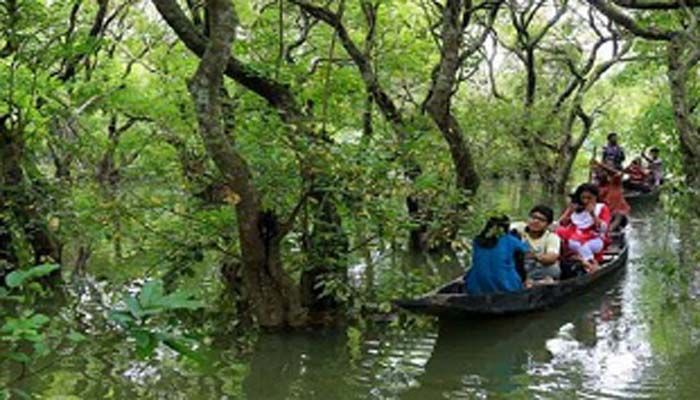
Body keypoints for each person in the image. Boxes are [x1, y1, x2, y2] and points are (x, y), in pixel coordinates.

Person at [465, 215, 530, 295]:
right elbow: (528, 253)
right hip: (507, 288)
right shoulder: (511, 240)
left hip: (475, 288)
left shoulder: (477, 240)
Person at [556, 183, 611, 273]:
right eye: (583, 198)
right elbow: (561, 223)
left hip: (595, 239)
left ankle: (591, 264)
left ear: (595, 197)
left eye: (589, 198)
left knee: (579, 243)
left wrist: (592, 214)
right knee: (563, 236)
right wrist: (569, 211)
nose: (586, 201)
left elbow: (603, 229)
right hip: (574, 236)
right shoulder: (576, 208)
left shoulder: (601, 208)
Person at [510, 205, 561, 286]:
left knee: (553, 269)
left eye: (541, 220)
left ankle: (531, 282)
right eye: (533, 217)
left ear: (548, 224)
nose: (536, 221)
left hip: (535, 268)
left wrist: (535, 256)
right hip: (517, 266)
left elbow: (552, 257)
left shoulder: (552, 237)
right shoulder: (519, 228)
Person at [592, 159, 630, 233]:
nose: (600, 174)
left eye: (602, 172)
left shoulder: (615, 182)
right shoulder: (596, 189)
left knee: (619, 214)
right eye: (598, 173)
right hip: (604, 216)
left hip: (618, 216)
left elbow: (617, 173)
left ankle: (608, 231)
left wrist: (601, 165)